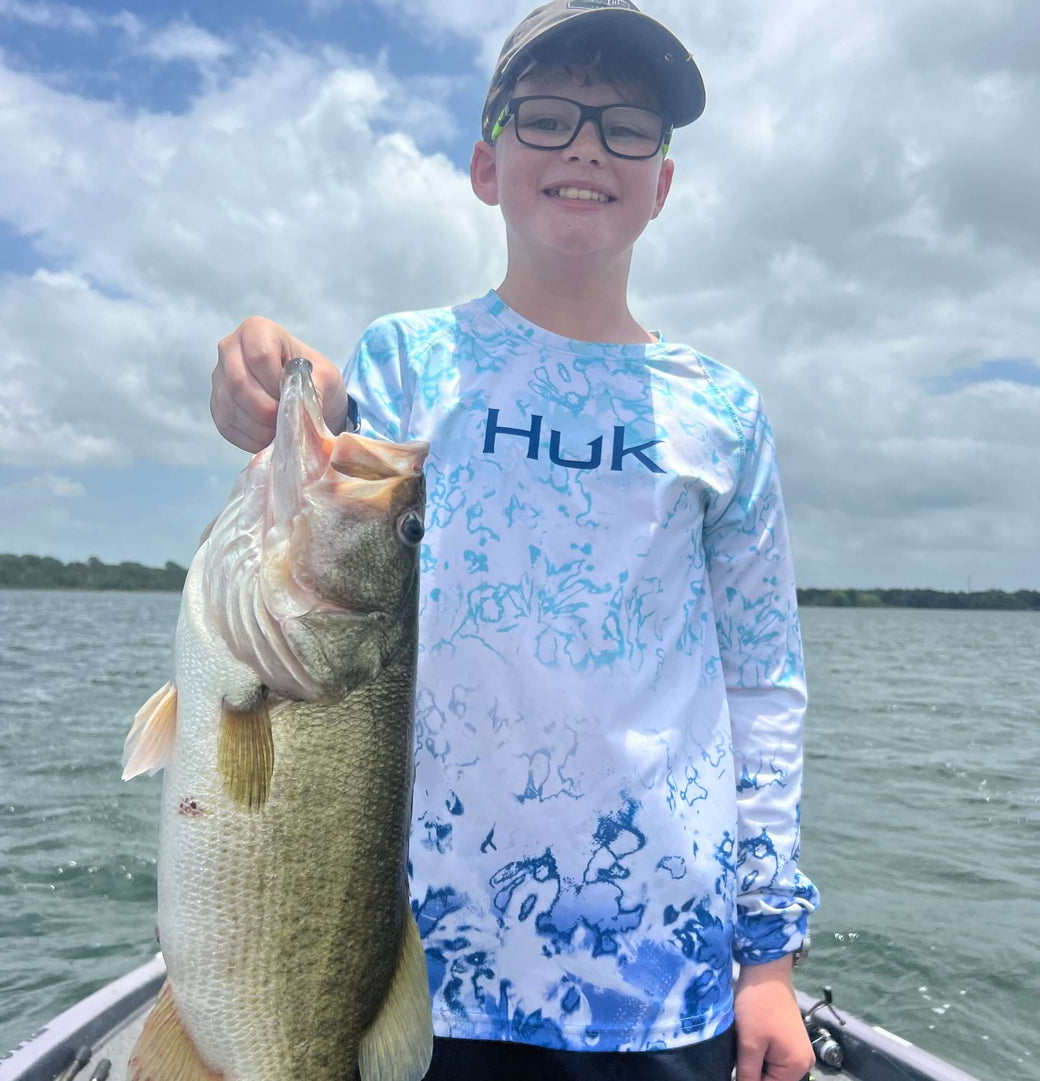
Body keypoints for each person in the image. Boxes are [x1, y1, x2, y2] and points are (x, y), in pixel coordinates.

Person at [211, 2, 819, 1079]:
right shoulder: (409, 361)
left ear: (662, 185)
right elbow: (320, 519)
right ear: (487, 166)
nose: (587, 142)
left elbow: (762, 681)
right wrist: (276, 389)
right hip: (411, 960)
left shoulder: (722, 413)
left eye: (628, 125)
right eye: (548, 116)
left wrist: (767, 957)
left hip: (658, 969)